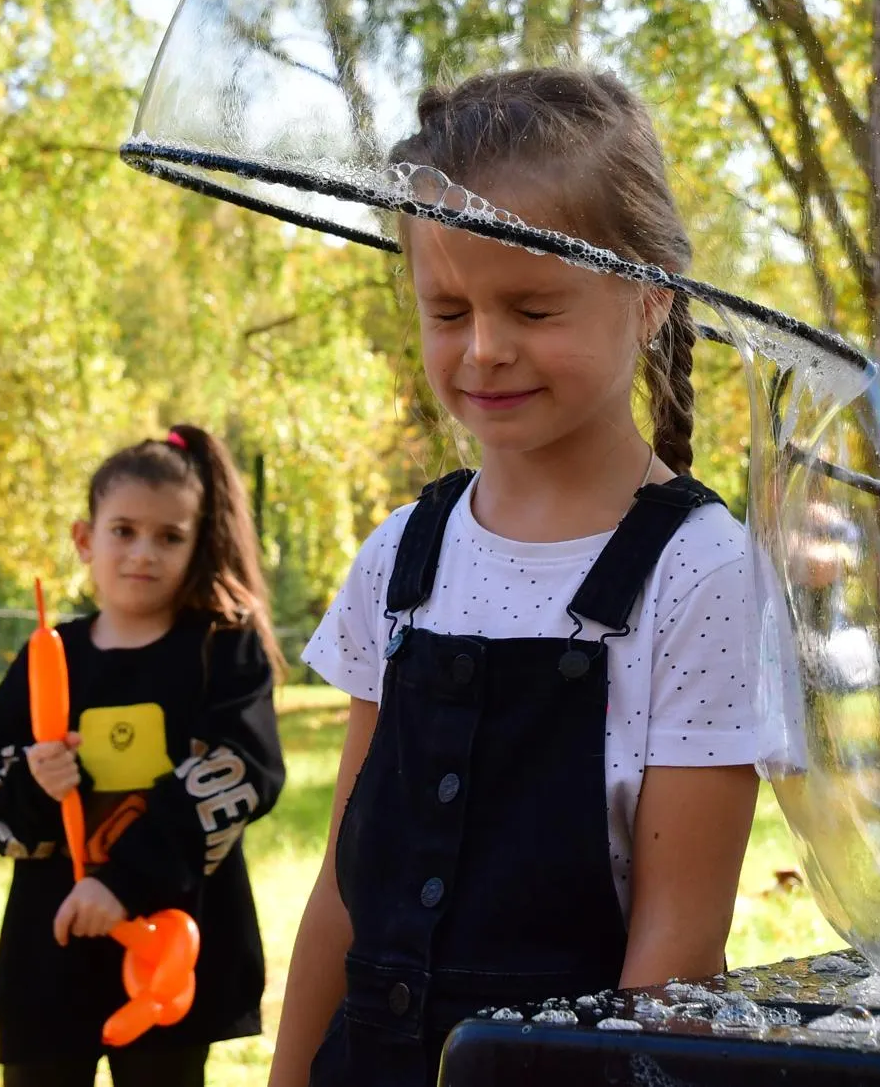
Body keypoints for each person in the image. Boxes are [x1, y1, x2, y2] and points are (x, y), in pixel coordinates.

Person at [270, 68, 762, 1085]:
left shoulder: (702, 574)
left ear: (649, 297)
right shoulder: (398, 557)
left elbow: (676, 946)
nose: (485, 349)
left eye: (533, 309)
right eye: (448, 310)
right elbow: (342, 892)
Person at [0, 424, 287, 1087]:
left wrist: (123, 882)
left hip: (169, 954)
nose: (144, 553)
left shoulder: (222, 651)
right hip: (53, 952)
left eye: (170, 537)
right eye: (124, 531)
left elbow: (241, 773)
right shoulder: (49, 656)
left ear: (198, 545)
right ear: (85, 539)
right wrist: (36, 778)